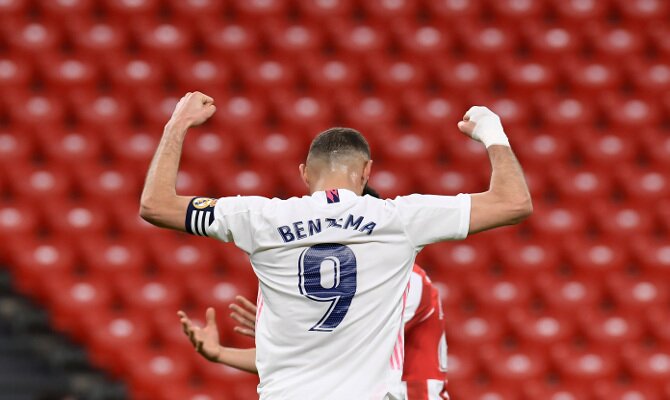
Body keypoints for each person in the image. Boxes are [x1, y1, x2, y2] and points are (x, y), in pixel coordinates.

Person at [140, 91, 532, 399]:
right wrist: (491, 131)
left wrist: (177, 124)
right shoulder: (400, 219)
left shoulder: (258, 218)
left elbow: (155, 206)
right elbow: (514, 203)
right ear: (367, 173)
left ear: (303, 174)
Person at [180, 186, 452, 400]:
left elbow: (331, 356)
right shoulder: (367, 281)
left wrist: (293, 332)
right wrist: (222, 353)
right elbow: (317, 361)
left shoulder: (408, 281)